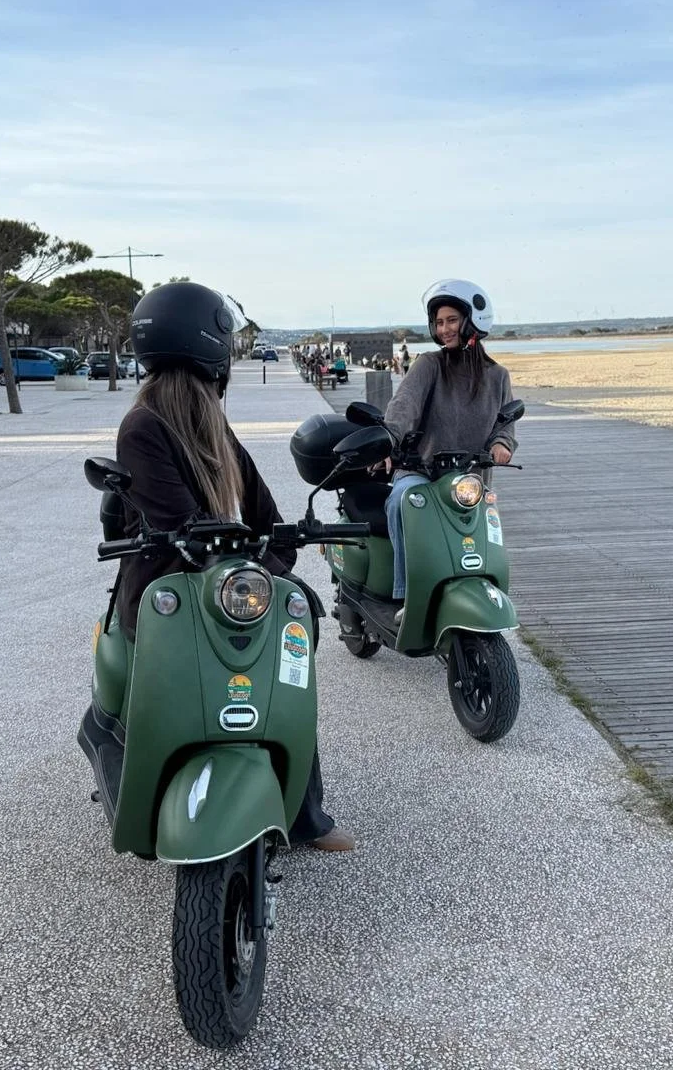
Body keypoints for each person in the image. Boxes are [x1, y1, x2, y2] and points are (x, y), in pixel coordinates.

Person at [112, 281, 354, 852]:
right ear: (213, 350)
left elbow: (264, 510)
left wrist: (275, 559)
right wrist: (254, 559)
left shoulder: (211, 424)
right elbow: (183, 528)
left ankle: (304, 806)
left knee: (296, 617)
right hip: (169, 589)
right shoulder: (143, 428)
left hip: (226, 585)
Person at [381, 279, 518, 625]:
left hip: (469, 481)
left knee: (486, 526)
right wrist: (388, 439)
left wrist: (502, 444)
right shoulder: (429, 364)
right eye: (439, 322)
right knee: (402, 501)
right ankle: (408, 595)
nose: (444, 329)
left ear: (472, 321)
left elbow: (505, 423)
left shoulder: (498, 376)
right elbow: (404, 406)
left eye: (452, 320)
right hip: (423, 472)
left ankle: (484, 592)